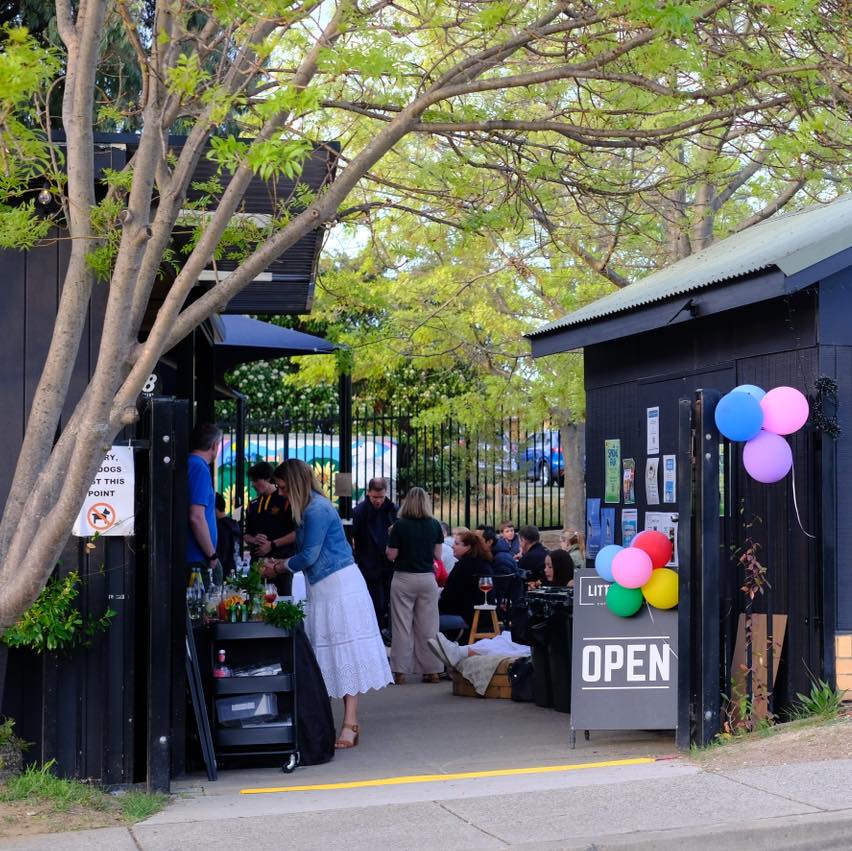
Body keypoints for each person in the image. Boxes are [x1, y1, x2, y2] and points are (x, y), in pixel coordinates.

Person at [264, 459, 392, 749]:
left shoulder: (317, 509)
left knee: (343, 651)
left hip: (338, 586)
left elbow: (309, 555)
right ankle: (343, 721)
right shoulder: (312, 508)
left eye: (283, 488)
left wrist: (279, 565)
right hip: (327, 585)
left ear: (295, 484)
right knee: (333, 653)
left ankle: (350, 722)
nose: (281, 494)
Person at [385, 487, 444, 684]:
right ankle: (432, 670)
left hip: (403, 578)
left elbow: (391, 555)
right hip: (427, 578)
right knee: (428, 626)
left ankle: (400, 672)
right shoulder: (435, 525)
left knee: (402, 626)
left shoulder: (399, 526)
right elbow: (438, 555)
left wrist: (389, 539)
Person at [351, 477, 397, 631]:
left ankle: (385, 628)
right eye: (375, 497)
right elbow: (351, 535)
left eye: (381, 497)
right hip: (368, 560)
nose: (378, 501)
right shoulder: (359, 512)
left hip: (388, 562)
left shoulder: (392, 509)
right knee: (374, 599)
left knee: (388, 598)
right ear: (368, 493)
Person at [244, 461, 296, 595]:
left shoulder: (285, 501)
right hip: (256, 566)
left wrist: (271, 545)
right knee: (255, 607)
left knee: (282, 605)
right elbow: (245, 534)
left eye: (256, 480)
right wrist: (254, 539)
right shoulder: (252, 504)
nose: (253, 484)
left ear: (267, 478)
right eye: (252, 481)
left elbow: (297, 533)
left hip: (279, 564)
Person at [186, 423, 222, 588]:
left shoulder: (193, 464)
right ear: (214, 445)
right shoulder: (199, 467)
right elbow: (197, 517)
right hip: (198, 558)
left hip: (197, 556)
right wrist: (212, 555)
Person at [439, 531, 496, 630]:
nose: (453, 547)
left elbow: (447, 597)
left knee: (423, 621)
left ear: (468, 547)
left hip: (467, 618)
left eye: (457, 544)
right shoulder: (484, 563)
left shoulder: (463, 566)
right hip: (485, 617)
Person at [214, 492, 240, 576]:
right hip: (232, 570)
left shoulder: (219, 527)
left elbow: (221, 553)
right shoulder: (233, 524)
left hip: (222, 572)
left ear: (214, 508)